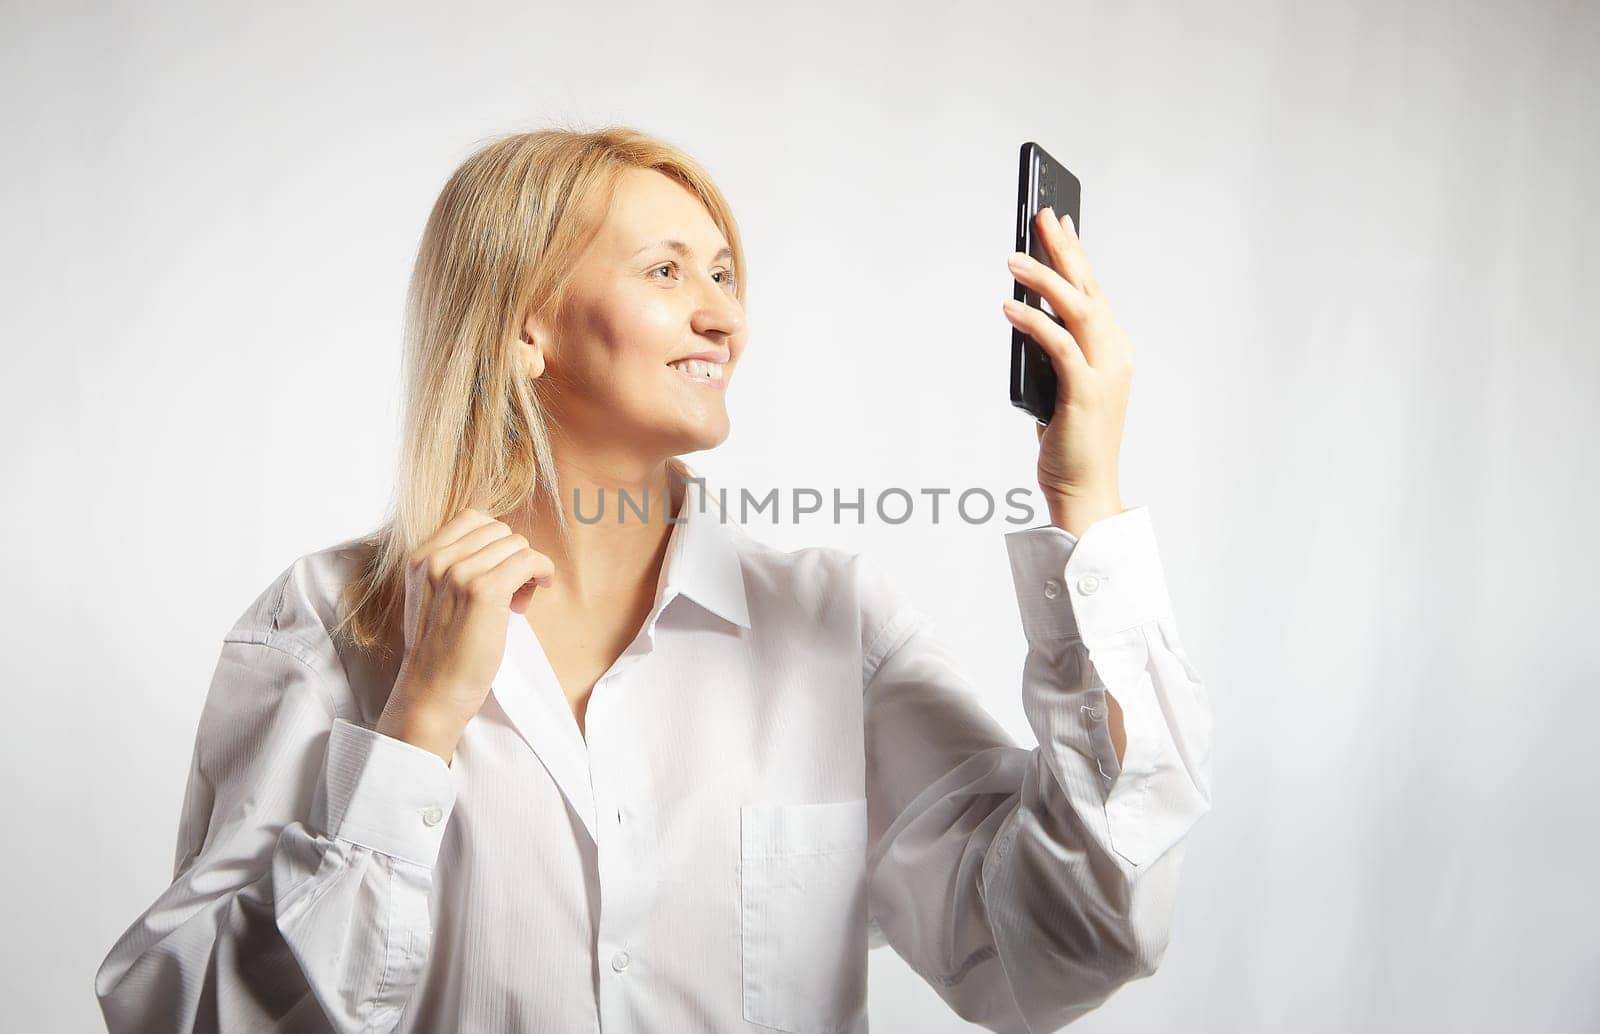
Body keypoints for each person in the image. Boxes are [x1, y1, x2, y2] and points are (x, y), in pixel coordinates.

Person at [94, 126, 1213, 1033]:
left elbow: (1069, 941)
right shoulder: (329, 626)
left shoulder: (830, 625)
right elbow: (178, 1013)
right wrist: (414, 728)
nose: (723, 312)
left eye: (723, 273)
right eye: (666, 271)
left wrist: (1086, 501)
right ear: (523, 328)